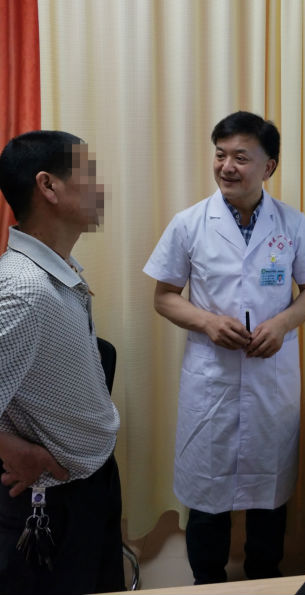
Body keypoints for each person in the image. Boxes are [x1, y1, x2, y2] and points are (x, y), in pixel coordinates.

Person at [143, 111, 305, 584]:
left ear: (268, 166)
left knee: (269, 494)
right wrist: (207, 322)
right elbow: (164, 297)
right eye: (220, 155)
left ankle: (265, 579)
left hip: (271, 379)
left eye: (241, 157)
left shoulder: (291, 224)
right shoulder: (190, 224)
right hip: (212, 380)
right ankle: (207, 583)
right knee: (207, 496)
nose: (227, 166)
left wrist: (283, 323)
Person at [0, 131, 124, 594]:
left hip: (90, 483)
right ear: (48, 186)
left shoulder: (60, 269)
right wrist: (15, 451)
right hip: (51, 501)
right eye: (89, 173)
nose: (101, 187)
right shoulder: (23, 291)